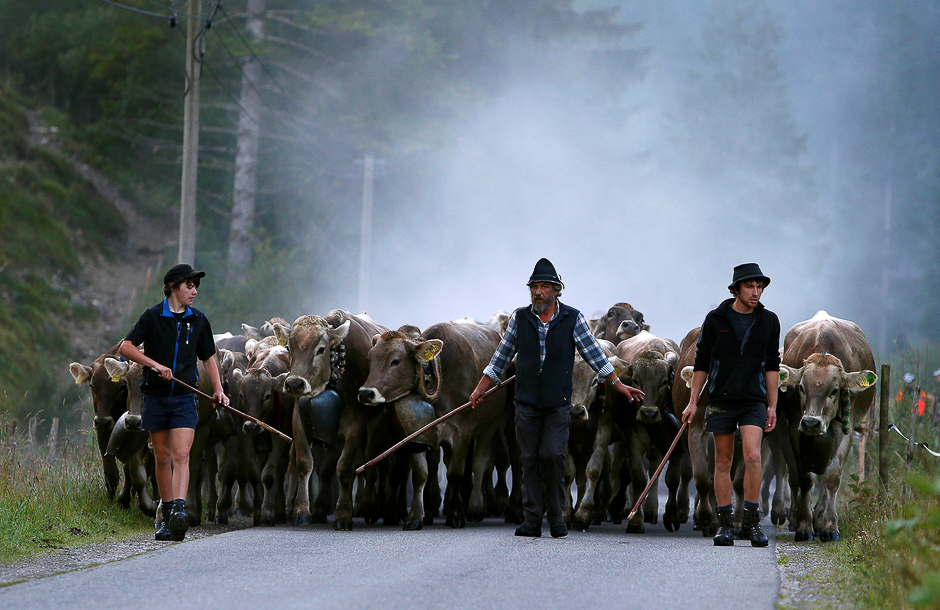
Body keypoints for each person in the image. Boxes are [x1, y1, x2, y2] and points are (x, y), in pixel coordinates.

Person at [469, 258, 644, 538]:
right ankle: (531, 520)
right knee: (529, 459)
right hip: (525, 403)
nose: (538, 292)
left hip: (557, 403)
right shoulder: (520, 318)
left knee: (552, 455)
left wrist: (618, 384)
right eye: (534, 287)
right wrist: (481, 388)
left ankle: (556, 514)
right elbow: (500, 357)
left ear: (556, 290)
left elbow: (594, 354)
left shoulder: (572, 319)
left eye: (544, 287)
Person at [119, 263, 229, 541]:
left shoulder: (199, 320)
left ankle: (179, 509)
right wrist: (154, 365)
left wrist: (218, 389)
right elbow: (126, 347)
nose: (194, 291)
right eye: (189, 286)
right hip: (155, 397)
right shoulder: (152, 316)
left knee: (182, 455)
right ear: (172, 287)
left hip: (184, 396)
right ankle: (166, 513)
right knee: (162, 456)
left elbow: (208, 357)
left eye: (196, 286)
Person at [681, 262, 780, 548]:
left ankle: (751, 522)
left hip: (753, 400)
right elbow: (701, 363)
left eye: (759, 287)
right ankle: (724, 524)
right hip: (721, 398)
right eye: (750, 286)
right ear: (736, 289)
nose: (756, 292)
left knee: (752, 456)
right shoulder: (715, 319)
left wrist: (772, 405)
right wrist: (692, 402)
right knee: (722, 461)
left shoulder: (769, 321)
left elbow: (772, 365)